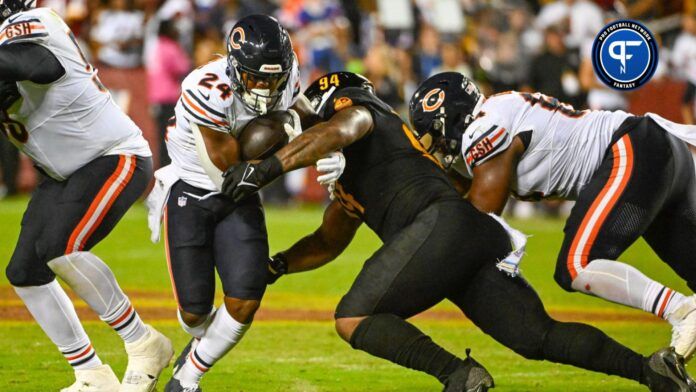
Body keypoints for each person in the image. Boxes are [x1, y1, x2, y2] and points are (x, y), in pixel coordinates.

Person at [221, 71, 694, 391]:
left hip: (442, 226)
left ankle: (457, 375)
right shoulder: (348, 167)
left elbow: (340, 130)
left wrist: (263, 170)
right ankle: (652, 372)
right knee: (536, 338)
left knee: (353, 318)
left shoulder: (362, 117)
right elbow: (329, 238)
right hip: (461, 235)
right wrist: (278, 264)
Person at [409, 71, 696, 361]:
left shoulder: (482, 130)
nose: (438, 145)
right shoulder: (495, 111)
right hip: (659, 151)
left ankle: (681, 310)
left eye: (435, 133)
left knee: (576, 265)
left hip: (632, 150)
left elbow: (483, 218)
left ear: (452, 118)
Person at [147, 14, 327, 392]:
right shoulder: (206, 87)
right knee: (195, 315)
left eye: (272, 78)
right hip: (193, 190)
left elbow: (306, 122)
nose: (265, 87)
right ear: (234, 66)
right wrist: (287, 129)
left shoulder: (289, 78)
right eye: (256, 77)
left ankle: (189, 376)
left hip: (241, 197)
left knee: (245, 299)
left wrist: (316, 141)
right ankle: (200, 342)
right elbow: (229, 173)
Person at [0, 1, 173, 391]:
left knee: (62, 247)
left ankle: (143, 342)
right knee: (25, 272)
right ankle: (91, 373)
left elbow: (37, 65)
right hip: (61, 172)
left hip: (112, 155)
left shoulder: (31, 23)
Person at [146, 18, 191, 167]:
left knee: (161, 137)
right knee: (172, 137)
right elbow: (184, 68)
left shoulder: (157, 46)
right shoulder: (171, 47)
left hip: (156, 97)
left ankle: (163, 167)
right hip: (170, 98)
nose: (177, 31)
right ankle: (171, 168)